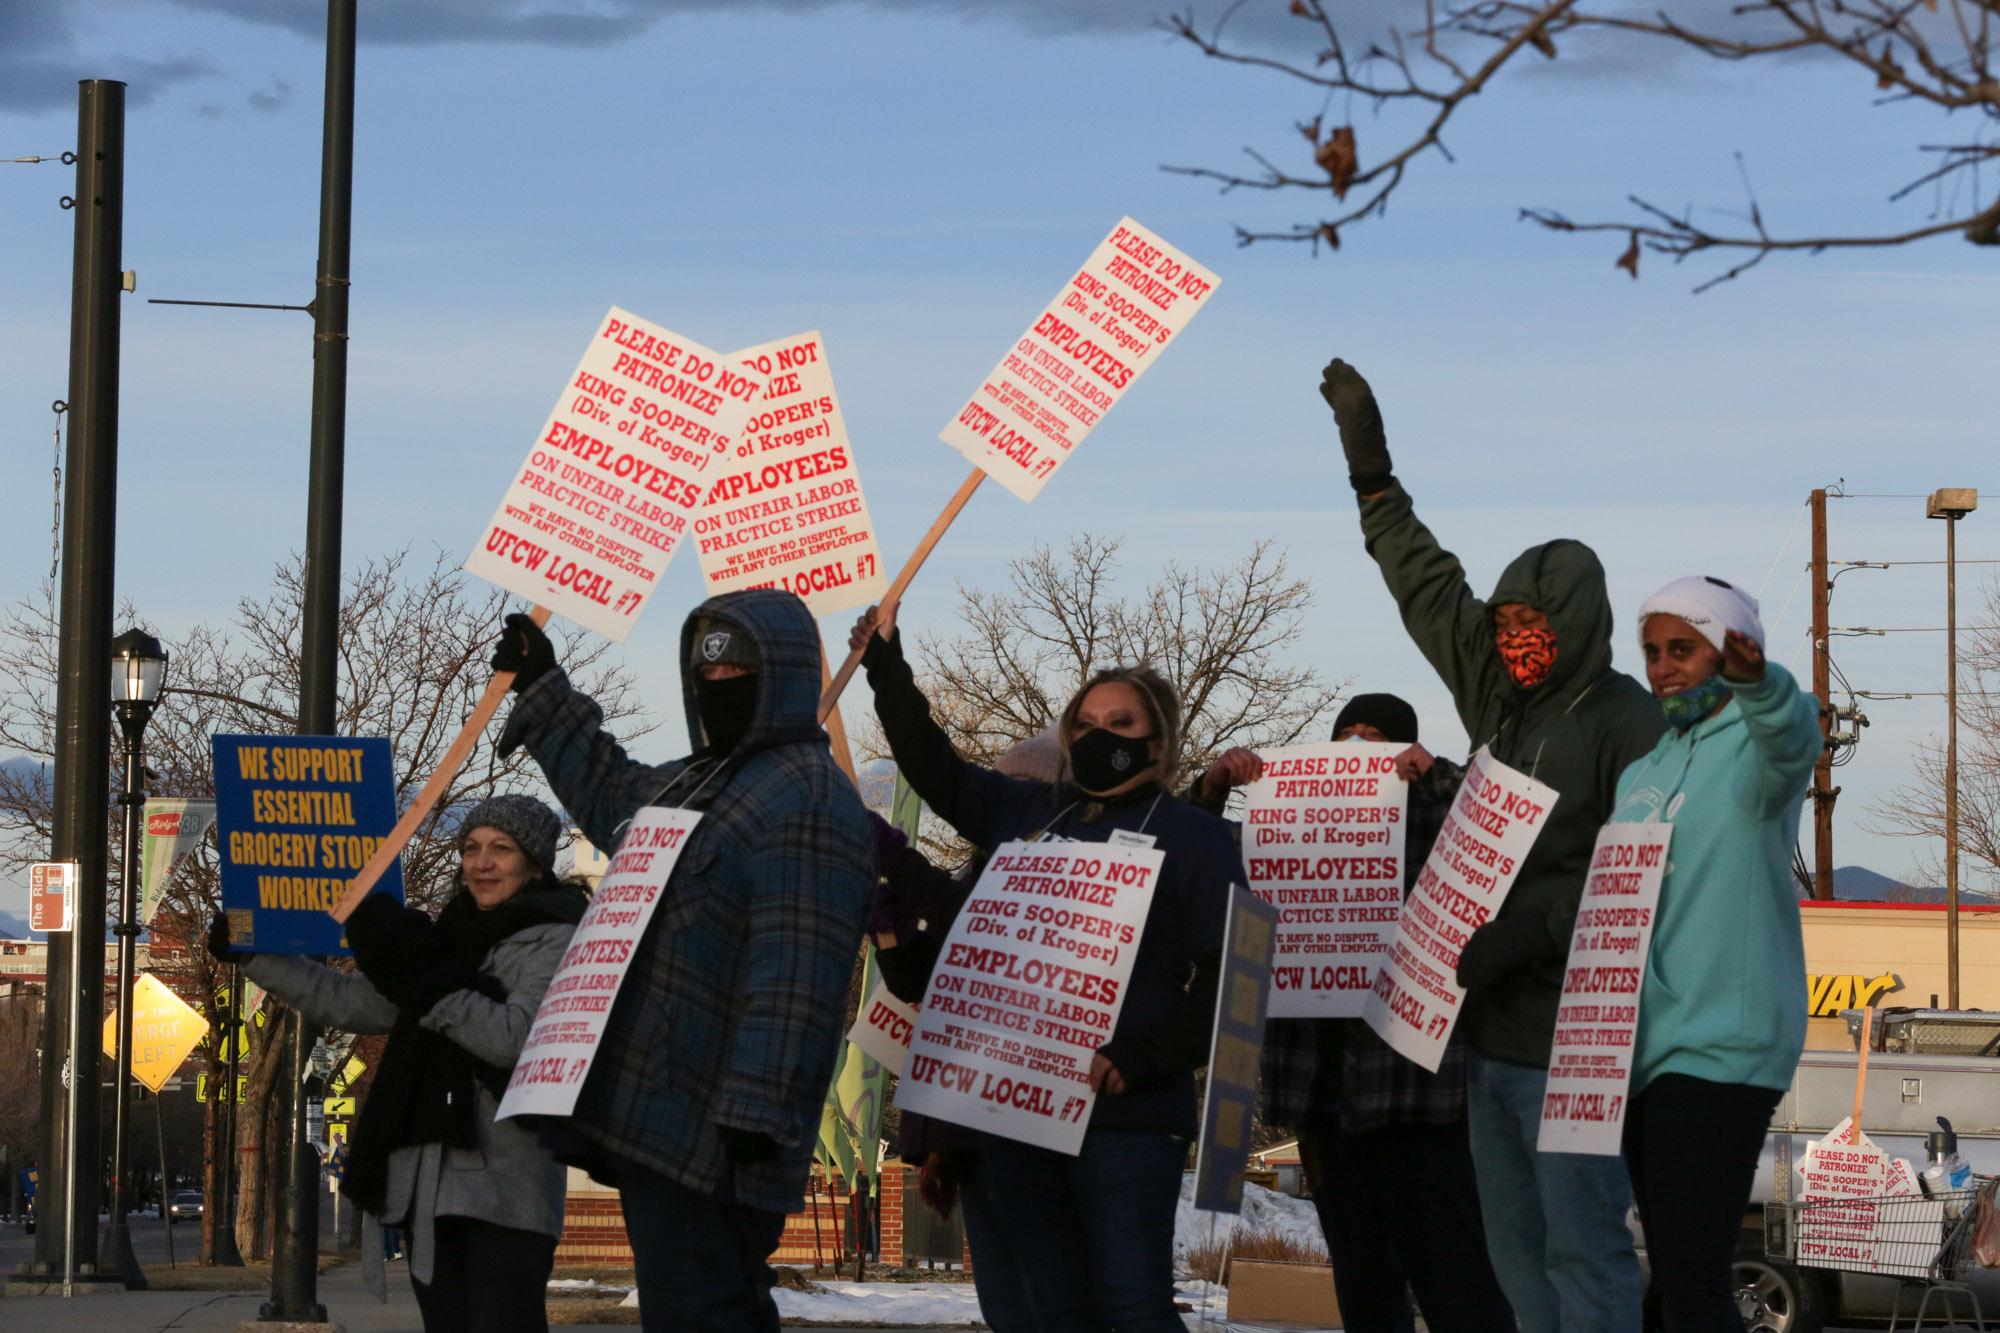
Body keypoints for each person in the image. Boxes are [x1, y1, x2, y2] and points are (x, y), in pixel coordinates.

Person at [1320, 357, 1664, 1333]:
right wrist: (1370, 475)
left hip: (1579, 1042)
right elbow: (1426, 585)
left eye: (1533, 624)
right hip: (1487, 1041)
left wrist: (1525, 934)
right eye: (1504, 622)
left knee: (1582, 1251)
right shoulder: (1499, 704)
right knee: (1513, 1261)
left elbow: (1641, 877)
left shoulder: (1624, 725)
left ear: (1576, 624)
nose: (1512, 639)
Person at [492, 590, 876, 1331]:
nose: (717, 682)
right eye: (707, 666)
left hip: (719, 1138)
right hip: (663, 1120)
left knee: (706, 1313)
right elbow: (609, 793)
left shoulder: (806, 798)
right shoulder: (701, 780)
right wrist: (545, 688)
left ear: (785, 673)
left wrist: (757, 1110)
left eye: (738, 667)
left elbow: (795, 972)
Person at [852, 603, 1234, 1332]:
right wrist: (885, 661)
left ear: (1158, 741)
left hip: (1126, 1120)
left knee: (1133, 1305)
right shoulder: (1031, 813)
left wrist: (1143, 1056)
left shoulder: (1198, 840)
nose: (1101, 736)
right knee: (1053, 1309)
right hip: (1018, 1117)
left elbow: (1234, 980)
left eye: (1121, 724)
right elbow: (932, 762)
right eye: (1086, 723)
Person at [1193, 694, 1514, 1333]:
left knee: (1456, 1281)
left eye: (1378, 737)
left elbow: (1498, 835)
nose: (1360, 745)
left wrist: (1440, 775)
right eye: (1348, 733)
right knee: (1364, 1285)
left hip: (1417, 1103)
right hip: (1323, 1105)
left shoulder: (1430, 828)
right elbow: (1192, 858)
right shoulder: (1278, 834)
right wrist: (1212, 785)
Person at [208, 794, 587, 1332]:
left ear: (534, 862)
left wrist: (427, 983)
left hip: (508, 1192)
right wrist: (253, 955)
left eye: (500, 849)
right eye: (471, 847)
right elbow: (348, 1002)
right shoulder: (442, 941)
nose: (481, 863)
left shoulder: (559, 938)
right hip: (426, 1191)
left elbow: (516, 1040)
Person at [1615, 577, 1817, 1331]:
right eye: (1652, 651)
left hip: (1722, 1045)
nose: (1663, 666)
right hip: (1638, 1054)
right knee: (1669, 1280)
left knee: (1694, 1280)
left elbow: (1793, 735)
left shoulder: (1756, 759)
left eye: (1682, 648)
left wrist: (1758, 683)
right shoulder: (1643, 772)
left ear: (1728, 651)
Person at [869, 731, 1063, 1333]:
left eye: (1023, 790)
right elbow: (921, 981)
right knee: (1003, 1293)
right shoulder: (973, 876)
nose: (1006, 802)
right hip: (968, 1119)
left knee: (1049, 1289)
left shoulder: (1063, 883)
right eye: (999, 788)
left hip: (1038, 1116)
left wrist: (898, 865)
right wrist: (891, 933)